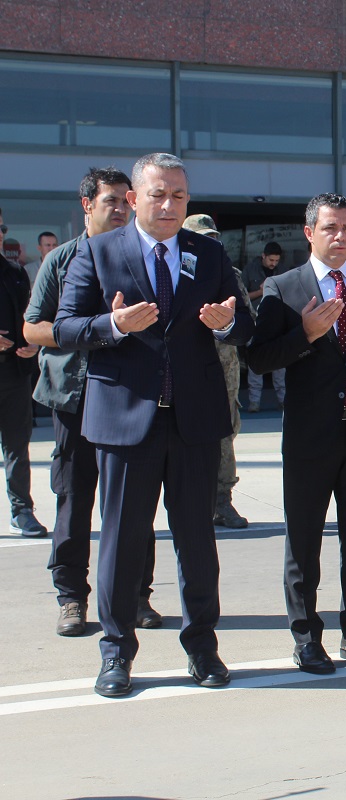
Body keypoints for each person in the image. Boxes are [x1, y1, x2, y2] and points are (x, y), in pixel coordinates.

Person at [55, 152, 253, 697]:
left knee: (197, 540)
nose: (169, 206)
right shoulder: (96, 253)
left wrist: (228, 321)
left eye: (180, 197)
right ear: (134, 198)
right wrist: (111, 324)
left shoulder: (208, 253)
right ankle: (116, 653)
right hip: (125, 421)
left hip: (194, 421)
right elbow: (66, 326)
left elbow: (246, 325)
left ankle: (203, 647)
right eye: (159, 195)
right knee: (121, 541)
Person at [247, 194, 346, 674]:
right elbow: (259, 358)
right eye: (330, 228)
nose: (340, 237)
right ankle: (306, 638)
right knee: (304, 541)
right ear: (310, 232)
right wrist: (305, 335)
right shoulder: (282, 287)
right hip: (311, 437)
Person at [24, 166, 160, 635]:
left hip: (126, 398)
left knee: (132, 503)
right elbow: (34, 327)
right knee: (73, 498)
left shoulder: (141, 257)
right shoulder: (61, 260)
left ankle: (137, 596)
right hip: (74, 397)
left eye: (127, 200)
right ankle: (71, 597)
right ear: (87, 205)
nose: (122, 209)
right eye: (112, 201)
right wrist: (97, 329)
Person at [182, 213, 250, 529]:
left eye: (214, 238)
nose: (210, 244)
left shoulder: (230, 274)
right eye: (201, 238)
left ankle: (222, 500)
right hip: (184, 367)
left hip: (224, 365)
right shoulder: (173, 272)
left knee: (225, 432)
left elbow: (248, 321)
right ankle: (191, 500)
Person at [0, 206, 46, 537]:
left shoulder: (14, 272)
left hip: (14, 373)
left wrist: (33, 343)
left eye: (2, 227)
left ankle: (22, 510)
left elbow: (32, 317)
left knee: (18, 445)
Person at [241, 241, 288, 412]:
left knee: (279, 364)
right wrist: (262, 290)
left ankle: (283, 401)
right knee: (256, 363)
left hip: (277, 321)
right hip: (255, 320)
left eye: (276, 260)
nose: (273, 264)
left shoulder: (282, 271)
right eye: (271, 260)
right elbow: (243, 296)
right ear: (263, 256)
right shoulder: (250, 270)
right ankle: (254, 402)